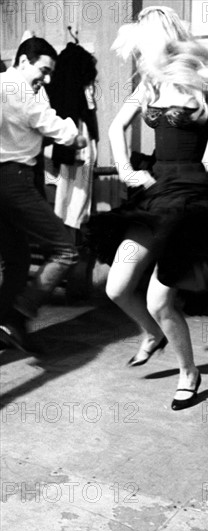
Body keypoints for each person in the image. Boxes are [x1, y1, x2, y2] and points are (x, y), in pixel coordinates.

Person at [89, 6, 208, 410]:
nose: (140, 50)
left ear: (165, 37)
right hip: (155, 194)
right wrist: (126, 171)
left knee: (159, 298)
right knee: (116, 286)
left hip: (193, 200)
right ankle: (153, 334)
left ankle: (188, 372)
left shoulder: (205, 77)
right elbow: (116, 126)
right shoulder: (150, 80)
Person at [0, 37, 87, 353]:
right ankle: (17, 318)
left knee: (17, 258)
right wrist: (76, 138)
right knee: (65, 250)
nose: (46, 79)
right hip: (16, 181)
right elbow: (52, 125)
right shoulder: (22, 89)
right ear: (23, 62)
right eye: (43, 70)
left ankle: (4, 323)